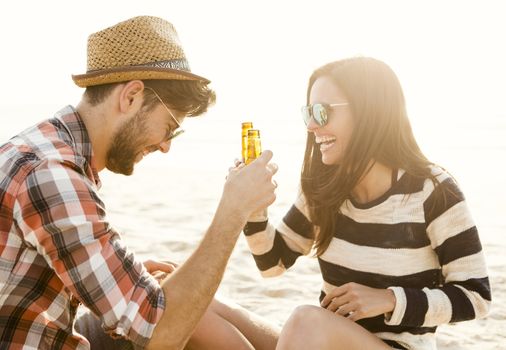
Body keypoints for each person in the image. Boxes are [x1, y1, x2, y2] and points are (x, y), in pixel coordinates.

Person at [0, 16, 279, 350]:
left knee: (188, 302)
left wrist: (120, 279)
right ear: (131, 96)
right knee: (180, 317)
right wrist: (233, 211)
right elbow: (161, 337)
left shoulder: (45, 150)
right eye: (170, 126)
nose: (166, 145)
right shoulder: (53, 175)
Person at [242, 57, 491, 349]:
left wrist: (389, 299)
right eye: (308, 112)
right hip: (320, 340)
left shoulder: (433, 191)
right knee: (207, 309)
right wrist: (253, 208)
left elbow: (476, 297)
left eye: (322, 112)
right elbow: (273, 264)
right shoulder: (324, 189)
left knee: (305, 320)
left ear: (369, 113)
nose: (311, 126)